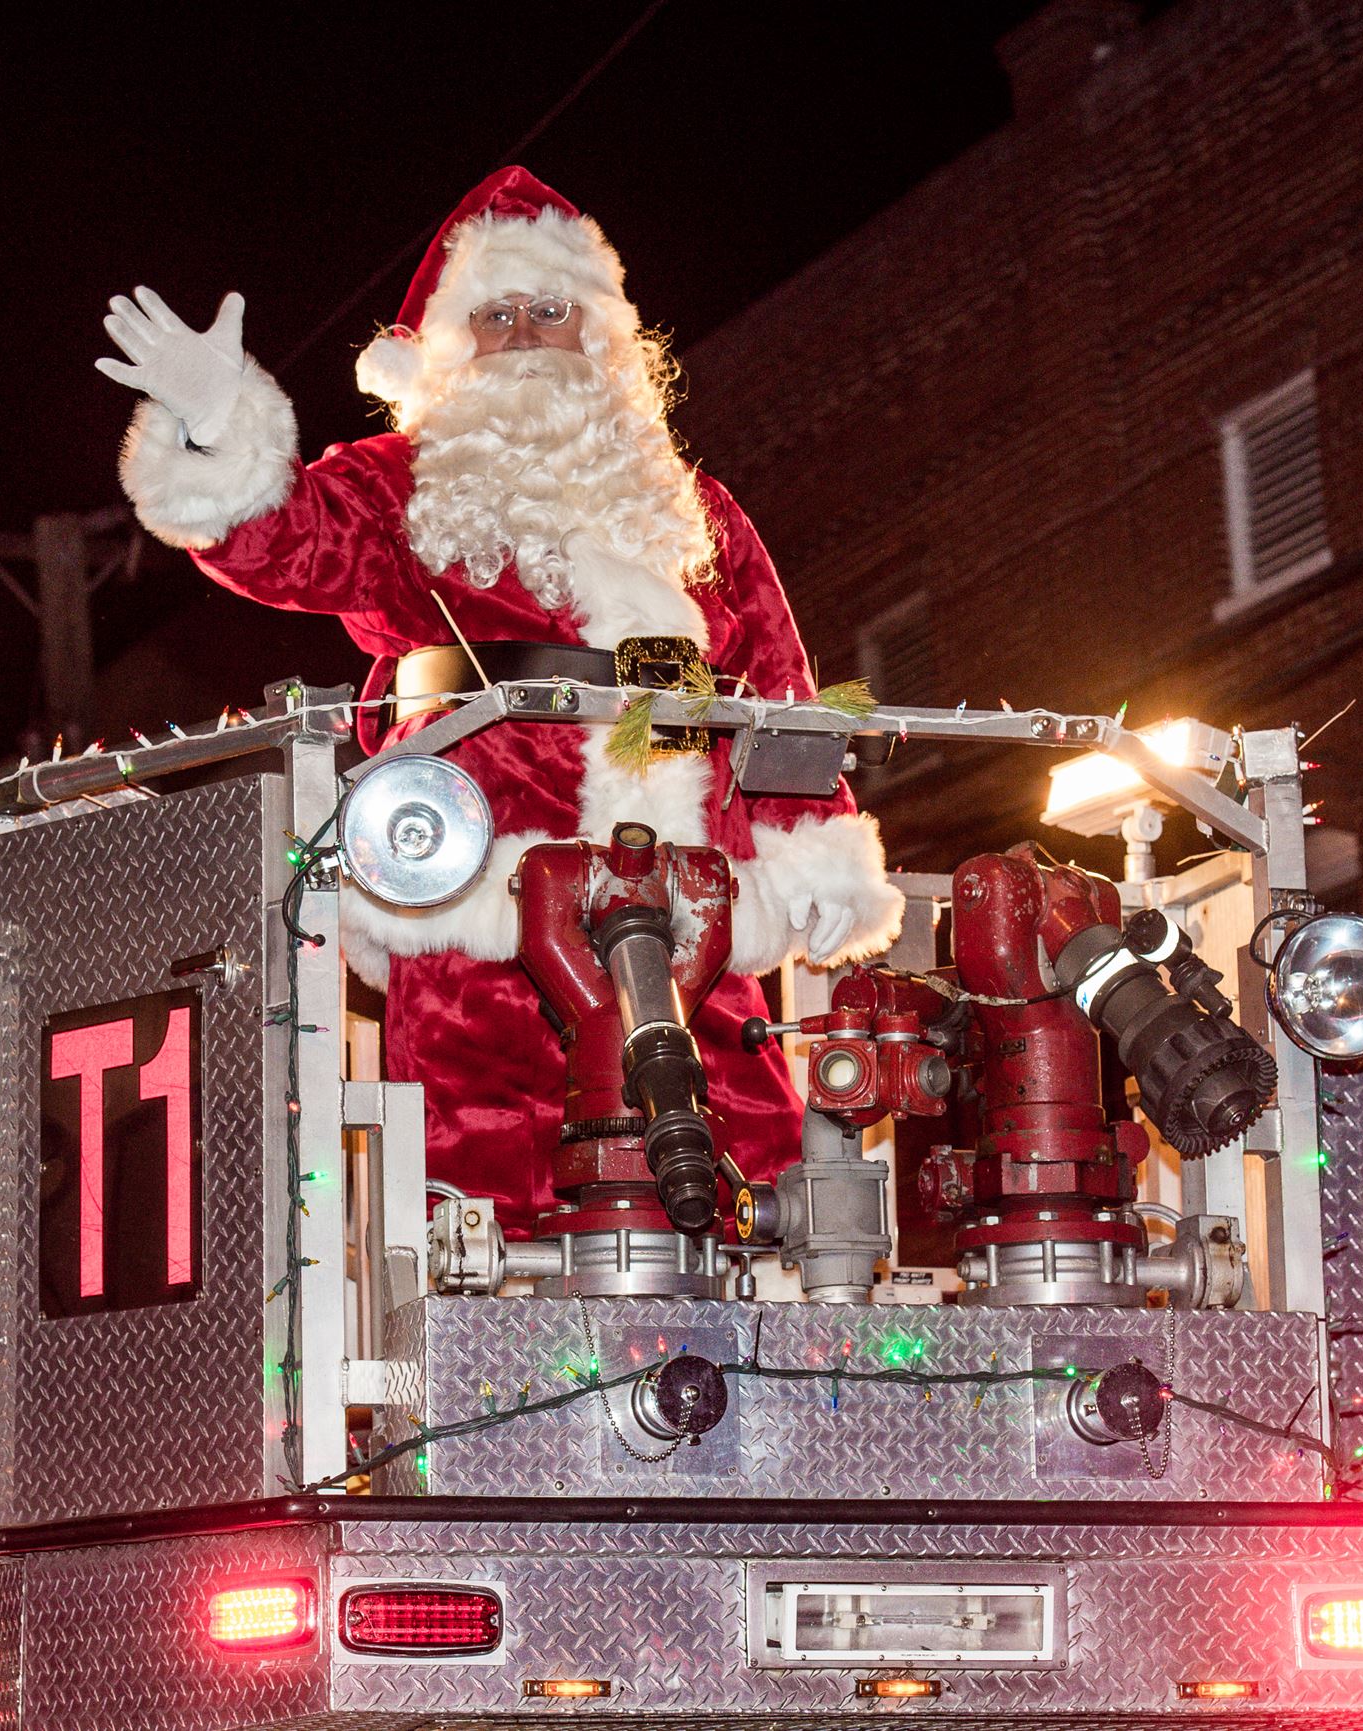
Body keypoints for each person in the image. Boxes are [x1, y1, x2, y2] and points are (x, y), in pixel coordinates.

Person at [98, 166, 900, 1221]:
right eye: (495, 316)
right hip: (479, 910)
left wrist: (810, 857)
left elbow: (778, 698)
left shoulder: (690, 507)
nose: (523, 336)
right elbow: (283, 544)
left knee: (752, 1197)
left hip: (691, 916)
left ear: (598, 337)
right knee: (474, 1214)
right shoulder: (405, 482)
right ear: (446, 349)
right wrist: (216, 427)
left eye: (550, 312)